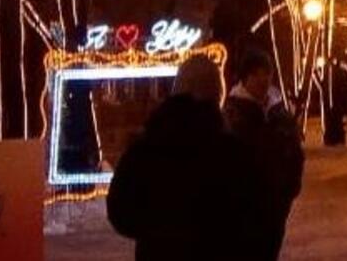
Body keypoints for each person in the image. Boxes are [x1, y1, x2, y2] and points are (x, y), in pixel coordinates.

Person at [108, 54, 257, 261]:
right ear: (218, 94)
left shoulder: (147, 147)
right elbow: (252, 219)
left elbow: (120, 212)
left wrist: (157, 232)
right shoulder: (231, 152)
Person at [223, 52, 305, 261]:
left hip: (276, 208)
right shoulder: (233, 115)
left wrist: (290, 189)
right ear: (244, 78)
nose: (263, 79)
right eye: (256, 74)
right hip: (244, 212)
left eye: (266, 73)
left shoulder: (279, 113)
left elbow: (295, 153)